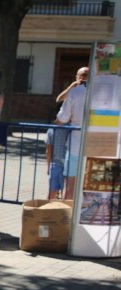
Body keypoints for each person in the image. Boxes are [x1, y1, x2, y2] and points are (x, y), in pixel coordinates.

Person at [55, 66, 89, 200]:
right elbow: (58, 99)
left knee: (70, 185)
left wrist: (58, 121)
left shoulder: (76, 92)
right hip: (96, 146)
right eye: (80, 75)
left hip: (76, 145)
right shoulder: (106, 90)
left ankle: (66, 218)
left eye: (85, 75)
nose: (82, 78)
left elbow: (63, 118)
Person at [45, 127, 69, 199]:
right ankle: (62, 209)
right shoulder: (71, 129)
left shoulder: (51, 130)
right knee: (65, 192)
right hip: (67, 165)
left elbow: (48, 151)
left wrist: (48, 166)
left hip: (54, 163)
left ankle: (47, 208)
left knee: (51, 192)